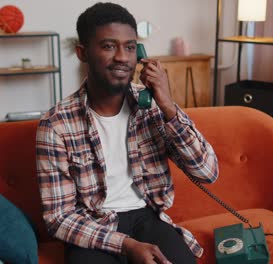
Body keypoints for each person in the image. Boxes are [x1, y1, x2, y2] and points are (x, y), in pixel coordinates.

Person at [36, 2, 218, 263]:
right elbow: (58, 218)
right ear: (82, 53)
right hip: (92, 226)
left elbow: (207, 172)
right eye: (109, 46)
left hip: (146, 217)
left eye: (130, 47)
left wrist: (167, 106)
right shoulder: (56, 124)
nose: (122, 57)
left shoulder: (153, 108)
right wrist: (126, 245)